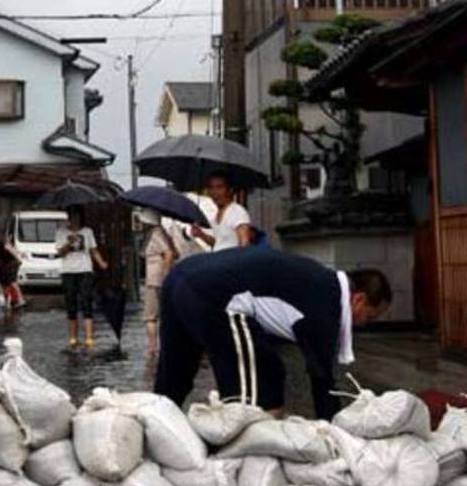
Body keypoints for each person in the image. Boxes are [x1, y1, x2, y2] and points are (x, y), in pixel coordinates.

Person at [153, 248, 392, 421]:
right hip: (214, 294)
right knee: (258, 390)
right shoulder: (327, 307)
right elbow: (322, 378)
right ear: (358, 299)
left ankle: (154, 423)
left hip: (180, 276)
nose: (364, 325)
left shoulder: (319, 280)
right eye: (369, 317)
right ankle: (240, 459)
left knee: (174, 375)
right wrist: (333, 431)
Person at [55, 206, 108, 349]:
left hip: (85, 270)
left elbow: (93, 250)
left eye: (77, 216)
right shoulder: (61, 232)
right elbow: (60, 253)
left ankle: (89, 337)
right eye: (71, 216)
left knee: (86, 301)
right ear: (68, 218)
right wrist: (68, 243)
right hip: (68, 271)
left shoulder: (87, 232)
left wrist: (101, 262)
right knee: (71, 302)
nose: (74, 219)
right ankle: (73, 337)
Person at [140, 210, 177, 357]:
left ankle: (153, 347)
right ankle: (158, 346)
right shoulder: (158, 233)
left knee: (151, 315)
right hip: (156, 278)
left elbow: (169, 253)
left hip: (155, 279)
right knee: (162, 314)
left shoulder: (156, 233)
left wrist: (166, 274)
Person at [191, 172, 252, 251]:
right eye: (211, 187)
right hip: (218, 260)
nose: (214, 192)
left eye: (219, 187)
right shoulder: (215, 216)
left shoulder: (237, 211)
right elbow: (218, 244)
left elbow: (245, 244)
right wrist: (201, 234)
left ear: (230, 190)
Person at [0, 238, 26, 310]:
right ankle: (7, 302)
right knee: (2, 282)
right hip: (4, 265)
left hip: (12, 263)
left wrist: (18, 258)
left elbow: (10, 249)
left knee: (12, 281)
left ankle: (20, 300)